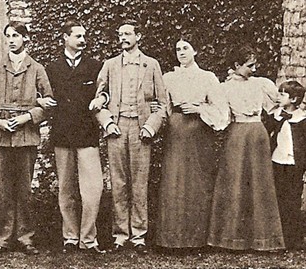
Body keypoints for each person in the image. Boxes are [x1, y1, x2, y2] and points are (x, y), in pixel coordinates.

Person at [89, 19, 168, 252]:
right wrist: (107, 123)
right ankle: (120, 235)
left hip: (141, 129)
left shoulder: (151, 65)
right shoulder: (110, 65)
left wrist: (150, 127)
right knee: (119, 183)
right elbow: (98, 99)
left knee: (140, 183)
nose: (123, 38)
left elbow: (163, 104)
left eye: (127, 34)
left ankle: (139, 236)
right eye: (120, 34)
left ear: (138, 36)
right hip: (117, 127)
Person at [0, 21, 53, 255]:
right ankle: (3, 238)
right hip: (2, 137)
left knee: (25, 190)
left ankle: (26, 237)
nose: (11, 40)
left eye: (16, 36)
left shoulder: (37, 69)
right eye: (8, 36)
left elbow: (49, 103)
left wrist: (27, 117)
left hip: (26, 136)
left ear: (25, 39)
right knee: (3, 190)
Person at [207, 45, 285, 251]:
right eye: (250, 65)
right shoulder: (224, 88)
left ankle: (263, 238)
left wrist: (296, 114)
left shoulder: (261, 84)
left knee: (260, 183)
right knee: (235, 182)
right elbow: (220, 116)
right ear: (236, 65)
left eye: (255, 64)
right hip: (237, 136)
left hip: (258, 135)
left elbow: (278, 107)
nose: (254, 69)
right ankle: (232, 238)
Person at [155, 37, 230, 249]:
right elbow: (162, 105)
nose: (181, 52)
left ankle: (197, 239)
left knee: (198, 181)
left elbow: (221, 110)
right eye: (178, 49)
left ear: (195, 51)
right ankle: (171, 239)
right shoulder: (168, 78)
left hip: (199, 132)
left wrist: (199, 109)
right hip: (176, 132)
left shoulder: (207, 77)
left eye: (186, 48)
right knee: (174, 180)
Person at [40, 19, 105, 254]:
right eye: (78, 36)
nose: (82, 40)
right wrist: (40, 100)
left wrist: (102, 99)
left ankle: (89, 239)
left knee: (92, 189)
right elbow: (41, 93)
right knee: (66, 189)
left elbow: (104, 91)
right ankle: (69, 237)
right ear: (65, 38)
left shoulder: (95, 66)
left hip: (87, 134)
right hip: (63, 134)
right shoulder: (52, 68)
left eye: (84, 36)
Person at [266, 80, 306, 250]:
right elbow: (267, 129)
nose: (278, 97)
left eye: (282, 94)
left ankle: (292, 240)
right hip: (278, 162)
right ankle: (277, 238)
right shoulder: (277, 115)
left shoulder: (303, 119)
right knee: (278, 199)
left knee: (293, 201)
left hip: (295, 165)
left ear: (293, 99)